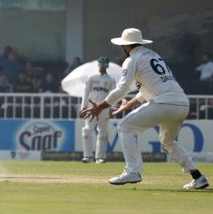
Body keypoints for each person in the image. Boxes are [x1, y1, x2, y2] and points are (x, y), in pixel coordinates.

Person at [81, 28, 209, 189]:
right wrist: (128, 104)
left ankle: (133, 171)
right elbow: (150, 88)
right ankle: (198, 177)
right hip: (182, 104)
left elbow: (122, 89)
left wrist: (99, 107)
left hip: (165, 104)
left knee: (125, 127)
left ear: (126, 46)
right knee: (168, 142)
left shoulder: (132, 59)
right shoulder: (153, 56)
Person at [80, 57, 116, 164]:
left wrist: (112, 109)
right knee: (87, 130)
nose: (102, 66)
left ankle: (100, 157)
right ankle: (87, 156)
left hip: (104, 108)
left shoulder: (111, 80)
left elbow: (114, 95)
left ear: (107, 66)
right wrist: (83, 107)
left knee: (103, 132)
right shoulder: (92, 77)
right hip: (92, 107)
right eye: (100, 64)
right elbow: (86, 92)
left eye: (104, 65)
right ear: (98, 65)